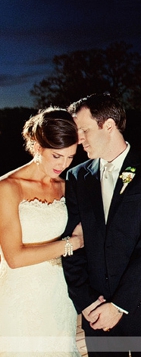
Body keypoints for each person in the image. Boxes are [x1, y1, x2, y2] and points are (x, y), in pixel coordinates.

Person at [62, 93, 141, 357]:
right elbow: (70, 245)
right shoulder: (77, 177)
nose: (78, 139)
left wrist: (119, 305)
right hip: (97, 312)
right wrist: (87, 302)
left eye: (84, 130)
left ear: (109, 126)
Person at [0, 107, 84, 356]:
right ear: (37, 146)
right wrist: (73, 243)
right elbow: (14, 258)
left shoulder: (67, 187)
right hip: (21, 294)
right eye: (57, 156)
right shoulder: (8, 187)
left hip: (58, 294)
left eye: (70, 157)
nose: (63, 164)